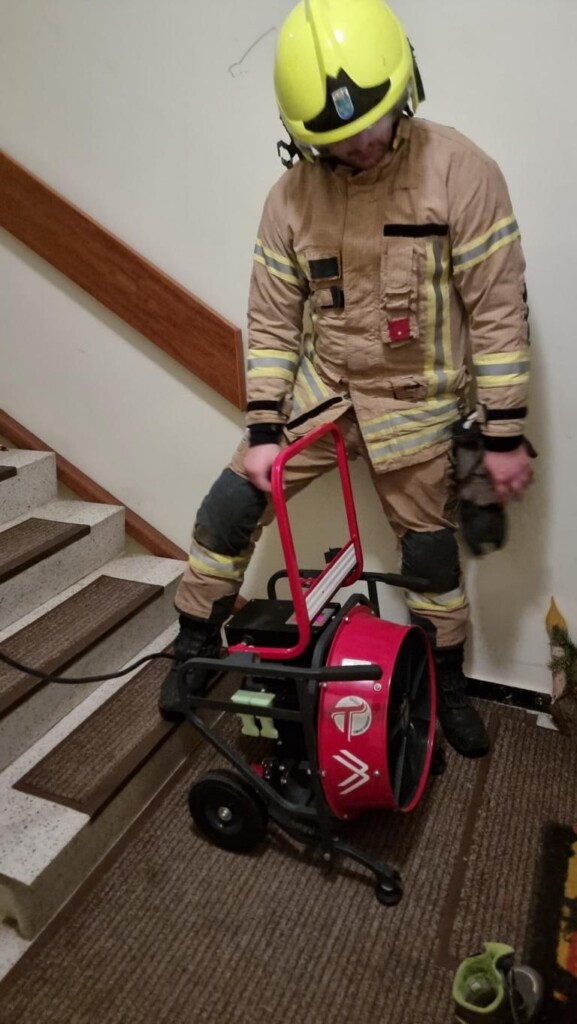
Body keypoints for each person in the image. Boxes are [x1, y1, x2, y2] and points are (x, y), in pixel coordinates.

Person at [159, 0, 534, 759]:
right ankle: (192, 642)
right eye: (337, 137)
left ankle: (446, 683)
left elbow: (497, 310)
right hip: (325, 388)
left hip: (420, 401)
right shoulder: (290, 199)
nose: (361, 144)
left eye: (373, 122)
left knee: (431, 559)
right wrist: (264, 430)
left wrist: (503, 434)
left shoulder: (462, 171)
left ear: (406, 87)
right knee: (229, 508)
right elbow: (272, 322)